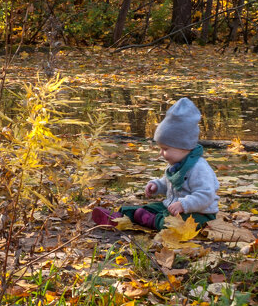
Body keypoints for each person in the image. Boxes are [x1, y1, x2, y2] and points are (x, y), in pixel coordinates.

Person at [91, 97, 219, 230]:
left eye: (165, 149)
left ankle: (151, 220)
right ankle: (121, 217)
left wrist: (184, 204)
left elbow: (205, 196)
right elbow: (169, 183)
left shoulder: (199, 168)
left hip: (200, 214)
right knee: (148, 208)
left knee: (172, 224)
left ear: (184, 147)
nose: (161, 153)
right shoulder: (177, 164)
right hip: (172, 206)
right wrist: (157, 185)